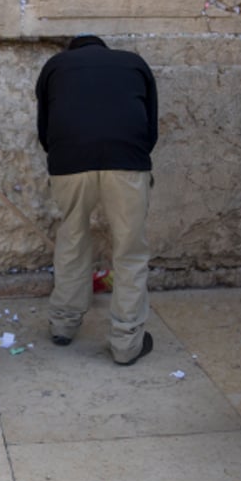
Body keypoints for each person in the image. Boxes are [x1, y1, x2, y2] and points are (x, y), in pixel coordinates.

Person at [35, 35, 159, 365]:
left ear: (72, 53)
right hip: (128, 162)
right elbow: (151, 129)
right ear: (105, 50)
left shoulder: (55, 66)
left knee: (72, 238)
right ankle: (126, 343)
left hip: (69, 163)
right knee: (129, 250)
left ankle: (63, 324)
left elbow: (44, 129)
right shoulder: (134, 63)